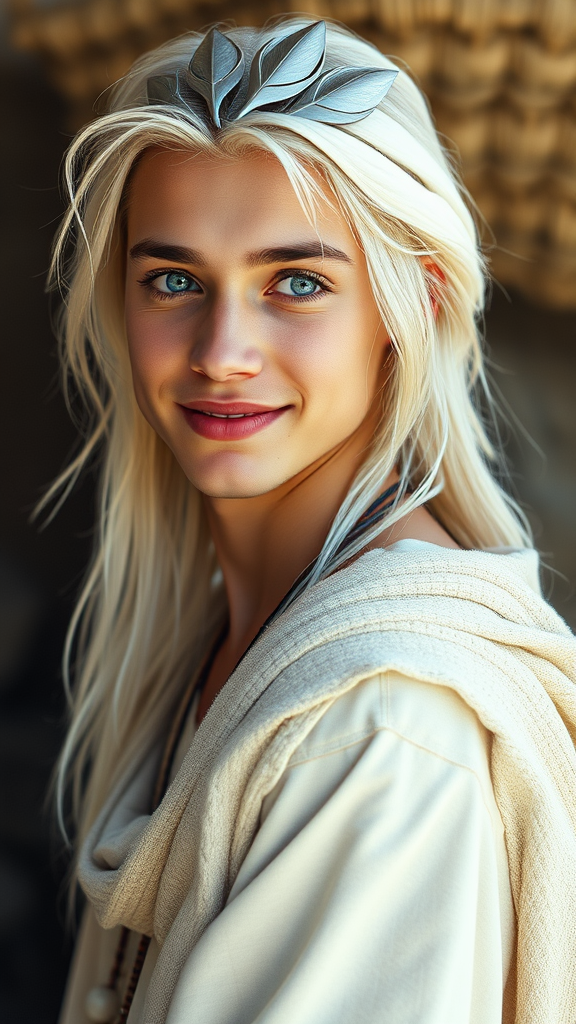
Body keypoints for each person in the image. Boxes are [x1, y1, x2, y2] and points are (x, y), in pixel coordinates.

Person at [40, 16, 576, 1024]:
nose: (222, 350)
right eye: (174, 281)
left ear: (407, 307)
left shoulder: (382, 729)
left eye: (297, 282)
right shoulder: (226, 635)